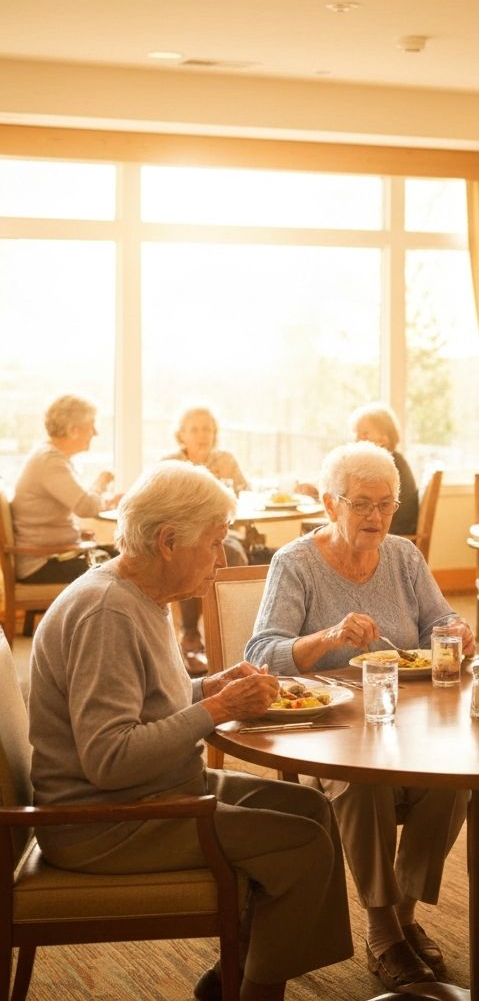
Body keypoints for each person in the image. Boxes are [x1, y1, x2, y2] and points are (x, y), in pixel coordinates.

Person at [27, 461, 352, 1001]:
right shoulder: (107, 612)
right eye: (216, 543)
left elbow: (151, 704)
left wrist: (207, 687)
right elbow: (109, 760)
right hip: (104, 823)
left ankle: (234, 975)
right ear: (168, 541)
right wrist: (218, 707)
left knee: (311, 809)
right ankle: (254, 990)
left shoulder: (142, 597)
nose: (222, 560)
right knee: (301, 845)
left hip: (156, 794)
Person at [245, 440, 472, 993]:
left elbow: (440, 620)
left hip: (411, 721)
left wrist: (455, 630)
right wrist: (326, 637)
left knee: (455, 781)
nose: (376, 518)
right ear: (330, 504)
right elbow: (260, 654)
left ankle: (405, 915)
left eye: (386, 505)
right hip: (332, 729)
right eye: (362, 504)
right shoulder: (295, 563)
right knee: (363, 783)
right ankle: (381, 927)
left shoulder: (403, 556)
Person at [162, 405, 249, 674]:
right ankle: (190, 633)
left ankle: (232, 629)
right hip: (186, 535)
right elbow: (161, 505)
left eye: (208, 429)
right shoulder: (170, 463)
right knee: (189, 554)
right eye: (195, 429)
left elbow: (245, 494)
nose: (203, 435)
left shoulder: (226, 460)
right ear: (182, 435)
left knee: (232, 552)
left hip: (224, 531)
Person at [11, 394, 119, 584]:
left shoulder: (51, 458)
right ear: (73, 430)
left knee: (126, 556)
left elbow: (84, 503)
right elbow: (86, 507)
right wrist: (101, 483)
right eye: (91, 425)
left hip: (56, 556)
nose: (95, 433)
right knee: (128, 566)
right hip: (43, 563)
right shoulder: (50, 462)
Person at [347, 402, 419, 535]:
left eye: (365, 434)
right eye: (355, 434)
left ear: (384, 439)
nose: (356, 440)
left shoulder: (385, 465)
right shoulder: (392, 460)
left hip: (391, 531)